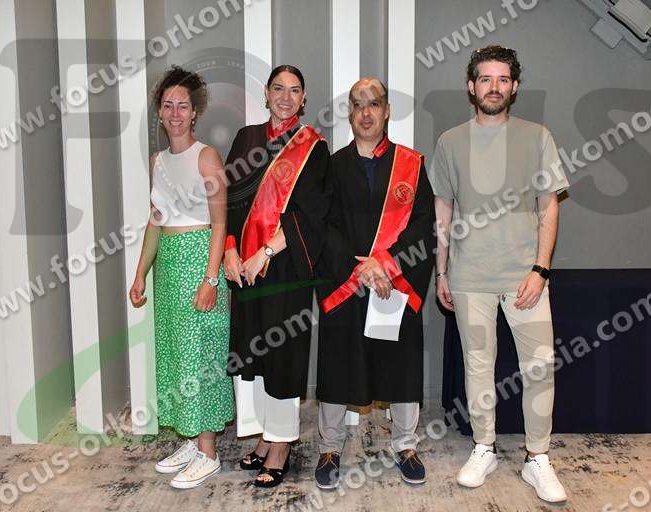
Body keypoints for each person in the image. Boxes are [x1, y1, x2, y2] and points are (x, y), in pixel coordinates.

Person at [427, 46, 570, 503]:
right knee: (478, 367)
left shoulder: (537, 137)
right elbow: (443, 211)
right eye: (485, 79)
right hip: (469, 277)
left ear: (514, 87)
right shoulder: (450, 141)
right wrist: (441, 271)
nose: (494, 87)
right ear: (472, 87)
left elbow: (549, 208)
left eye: (502, 79)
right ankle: (484, 447)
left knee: (540, 367)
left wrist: (540, 269)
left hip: (525, 278)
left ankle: (537, 457)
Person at [314, 77, 436, 488]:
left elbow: (423, 224)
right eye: (357, 104)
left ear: (386, 111)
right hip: (346, 282)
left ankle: (405, 445)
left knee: (400, 364)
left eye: (374, 103)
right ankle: (330, 447)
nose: (365, 112)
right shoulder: (332, 167)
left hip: (393, 283)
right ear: (349, 113)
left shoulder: (410, 164)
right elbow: (323, 226)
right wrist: (360, 269)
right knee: (338, 363)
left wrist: (387, 264)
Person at [223, 64, 331, 488]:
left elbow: (311, 215)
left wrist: (265, 252)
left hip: (284, 266)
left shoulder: (313, 148)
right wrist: (231, 250)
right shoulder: (246, 139)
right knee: (251, 352)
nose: (286, 97)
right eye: (278, 89)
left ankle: (282, 443)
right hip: (243, 269)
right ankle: (264, 436)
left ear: (304, 98)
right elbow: (229, 200)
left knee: (281, 353)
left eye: (294, 90)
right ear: (266, 94)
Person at [128, 66, 233, 489]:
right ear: (160, 111)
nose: (175, 113)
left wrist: (211, 280)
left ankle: (209, 452)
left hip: (199, 262)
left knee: (200, 358)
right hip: (168, 266)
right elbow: (156, 220)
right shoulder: (157, 161)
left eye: (182, 106)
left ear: (195, 113)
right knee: (175, 357)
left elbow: (220, 224)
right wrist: (140, 274)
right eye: (168, 105)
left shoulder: (207, 157)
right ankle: (191, 440)